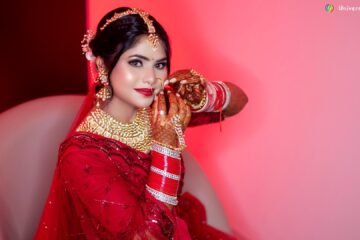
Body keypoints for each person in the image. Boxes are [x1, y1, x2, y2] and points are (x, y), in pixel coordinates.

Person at [35, 7, 248, 240]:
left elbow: (238, 102)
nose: (151, 78)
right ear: (103, 66)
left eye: (159, 64)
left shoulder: (157, 107)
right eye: (137, 62)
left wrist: (202, 92)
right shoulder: (80, 156)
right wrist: (166, 148)